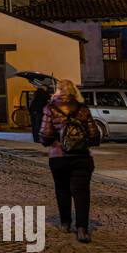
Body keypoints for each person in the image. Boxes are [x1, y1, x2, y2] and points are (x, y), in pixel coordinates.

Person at [39, 79, 100, 243]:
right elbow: (94, 135)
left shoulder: (50, 108)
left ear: (58, 90)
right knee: (82, 193)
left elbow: (45, 135)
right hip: (81, 157)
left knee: (62, 190)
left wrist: (52, 141)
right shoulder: (82, 108)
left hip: (59, 156)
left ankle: (65, 223)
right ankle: (82, 228)